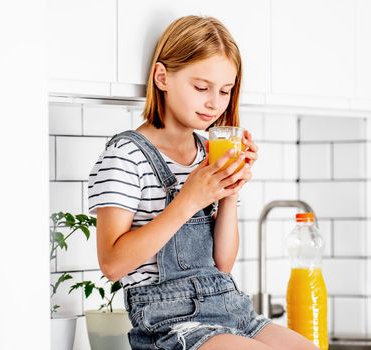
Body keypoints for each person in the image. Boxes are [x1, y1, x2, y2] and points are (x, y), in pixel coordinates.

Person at [88, 15, 319, 350]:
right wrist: (189, 199)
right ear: (162, 77)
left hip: (231, 308)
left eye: (225, 91)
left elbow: (221, 264)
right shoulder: (126, 155)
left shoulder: (209, 153)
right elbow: (112, 263)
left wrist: (230, 189)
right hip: (171, 321)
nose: (214, 102)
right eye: (201, 88)